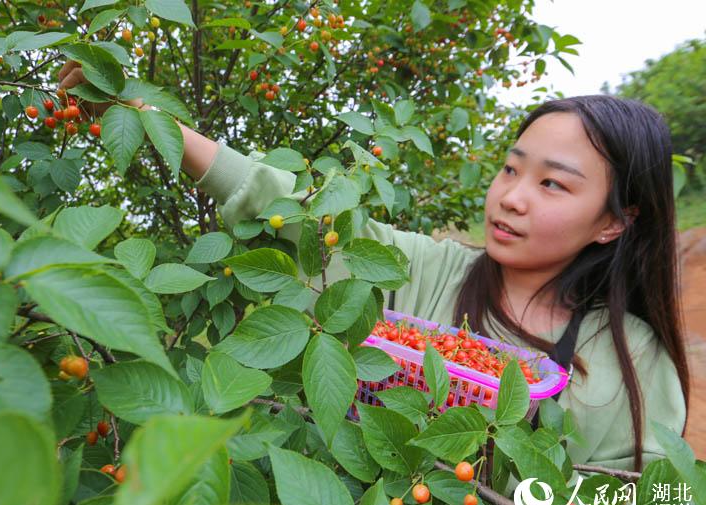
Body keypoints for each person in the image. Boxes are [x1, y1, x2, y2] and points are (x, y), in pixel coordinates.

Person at [59, 63, 688, 474]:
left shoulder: (633, 356)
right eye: (511, 169)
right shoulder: (425, 269)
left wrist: (529, 496)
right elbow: (291, 208)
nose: (513, 196)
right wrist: (145, 120)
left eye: (553, 184)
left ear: (614, 221)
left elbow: (665, 500)